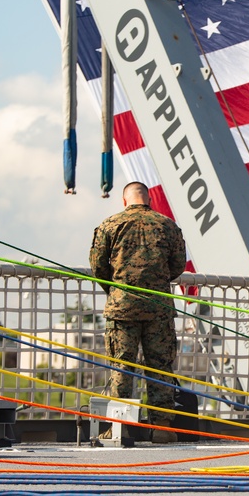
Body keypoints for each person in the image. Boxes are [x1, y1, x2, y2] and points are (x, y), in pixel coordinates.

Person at [90, 181, 187, 444]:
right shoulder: (167, 225)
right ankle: (162, 427)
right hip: (159, 308)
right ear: (149, 200)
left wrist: (118, 289)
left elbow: (98, 267)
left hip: (123, 308)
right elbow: (177, 265)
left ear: (124, 201)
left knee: (123, 366)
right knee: (160, 366)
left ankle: (121, 427)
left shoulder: (110, 225)